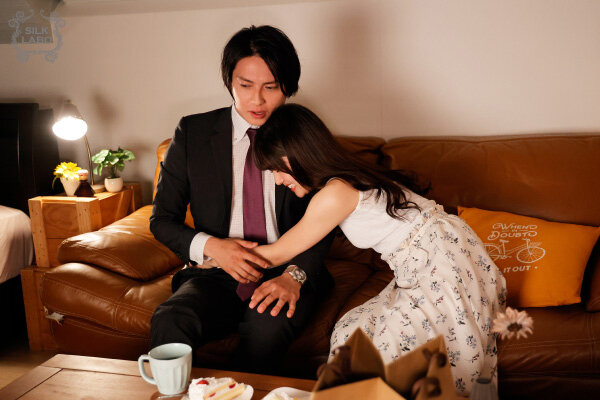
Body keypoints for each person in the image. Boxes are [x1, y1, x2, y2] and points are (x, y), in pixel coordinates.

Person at [249, 103, 507, 395]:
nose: (277, 180)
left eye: (276, 168)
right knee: (352, 333)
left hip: (442, 264)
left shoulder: (335, 193)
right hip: (449, 254)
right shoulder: (348, 177)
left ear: (299, 151)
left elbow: (275, 255)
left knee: (387, 348)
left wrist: (213, 252)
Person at [149, 26, 333, 374]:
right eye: (245, 85)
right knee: (171, 318)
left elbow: (327, 217)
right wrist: (214, 247)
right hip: (216, 270)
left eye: (271, 87)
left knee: (266, 330)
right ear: (229, 81)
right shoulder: (193, 134)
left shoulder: (303, 135)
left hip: (286, 268)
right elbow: (162, 220)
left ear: (288, 86)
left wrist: (295, 276)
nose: (257, 101)